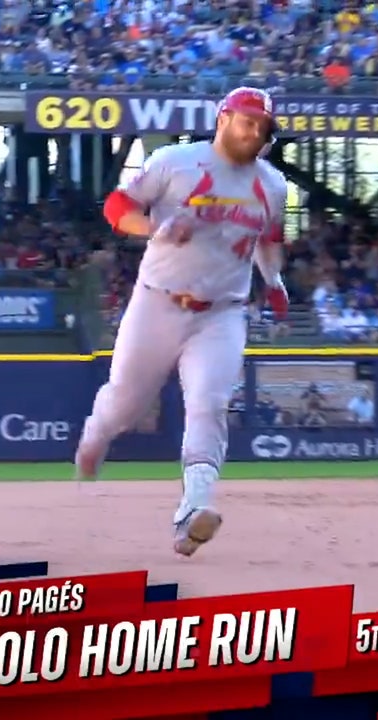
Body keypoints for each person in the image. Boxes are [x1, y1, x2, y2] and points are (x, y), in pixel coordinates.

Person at [76, 87, 291, 558]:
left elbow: (269, 239)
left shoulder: (272, 185)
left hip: (222, 312)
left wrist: (273, 282)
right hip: (157, 302)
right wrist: (155, 228)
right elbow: (116, 207)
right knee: (125, 406)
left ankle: (193, 512)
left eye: (263, 127)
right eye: (248, 121)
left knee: (210, 404)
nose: (255, 132)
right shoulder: (176, 161)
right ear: (224, 118)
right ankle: (96, 434)